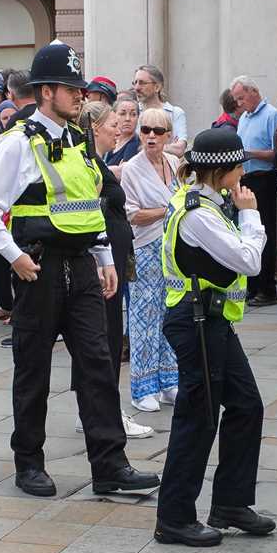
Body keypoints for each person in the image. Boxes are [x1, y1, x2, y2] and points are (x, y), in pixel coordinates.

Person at [0, 39, 160, 498]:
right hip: (39, 268)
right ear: (46, 92)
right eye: (71, 89)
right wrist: (14, 257)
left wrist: (105, 258)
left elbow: (88, 204)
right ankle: (29, 463)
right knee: (33, 369)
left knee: (97, 365)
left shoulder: (77, 141)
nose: (81, 96)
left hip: (82, 266)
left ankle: (110, 465)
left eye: (80, 89)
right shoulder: (18, 143)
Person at [154, 128, 270, 546]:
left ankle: (231, 504)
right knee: (198, 417)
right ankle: (174, 518)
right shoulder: (199, 213)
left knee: (246, 405)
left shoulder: (206, 202)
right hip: (196, 321)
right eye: (239, 167)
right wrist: (251, 214)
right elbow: (249, 261)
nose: (244, 174)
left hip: (211, 320)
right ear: (221, 169)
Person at [77, 101, 152, 440]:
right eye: (111, 123)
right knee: (104, 338)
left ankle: (95, 410)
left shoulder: (96, 161)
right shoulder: (88, 163)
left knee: (102, 337)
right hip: (102, 268)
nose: (119, 127)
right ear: (94, 128)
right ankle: (104, 413)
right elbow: (89, 214)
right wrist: (99, 260)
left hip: (110, 264)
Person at [120, 107, 181, 413]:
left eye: (158, 131)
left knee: (170, 315)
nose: (151, 136)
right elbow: (133, 214)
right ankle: (142, 387)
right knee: (144, 318)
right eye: (145, 130)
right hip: (144, 250)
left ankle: (168, 381)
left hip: (172, 251)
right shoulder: (132, 168)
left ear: (168, 135)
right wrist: (169, 209)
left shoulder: (173, 162)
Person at [231, 76, 277, 307]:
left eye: (241, 98)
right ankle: (252, 285)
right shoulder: (244, 118)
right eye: (236, 99)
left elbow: (274, 152)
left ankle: (267, 287)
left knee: (264, 230)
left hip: (263, 177)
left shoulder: (271, 114)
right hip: (245, 177)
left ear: (253, 92)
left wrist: (250, 153)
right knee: (245, 229)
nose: (239, 103)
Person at [132, 65, 187, 156]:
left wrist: (144, 146)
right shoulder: (132, 112)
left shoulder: (175, 113)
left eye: (142, 83)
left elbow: (179, 149)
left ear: (157, 87)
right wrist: (166, 145)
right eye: (135, 83)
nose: (137, 88)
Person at [105, 94, 141, 170]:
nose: (128, 119)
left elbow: (124, 172)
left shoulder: (136, 145)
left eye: (133, 114)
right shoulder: (108, 139)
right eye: (122, 114)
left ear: (138, 117)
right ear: (114, 115)